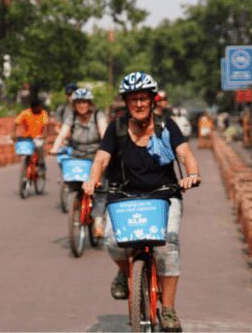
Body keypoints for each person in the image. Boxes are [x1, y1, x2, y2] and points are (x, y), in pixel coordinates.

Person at [82, 72, 200, 332]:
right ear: (126, 102)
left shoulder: (166, 126)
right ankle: (126, 273)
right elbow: (101, 158)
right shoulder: (116, 128)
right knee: (113, 243)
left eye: (143, 98)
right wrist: (92, 180)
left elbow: (184, 153)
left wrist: (192, 174)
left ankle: (168, 309)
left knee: (167, 246)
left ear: (152, 100)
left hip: (164, 196)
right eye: (133, 99)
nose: (138, 104)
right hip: (124, 196)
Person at [51, 87, 108, 235]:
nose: (82, 105)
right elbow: (63, 133)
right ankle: (75, 205)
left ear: (90, 103)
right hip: (77, 156)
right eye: (78, 102)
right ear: (74, 104)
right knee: (73, 183)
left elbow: (104, 134)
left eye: (85, 102)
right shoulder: (72, 116)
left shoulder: (98, 115)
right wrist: (55, 147)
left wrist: (106, 151)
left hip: (96, 156)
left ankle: (98, 221)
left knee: (100, 187)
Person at [15, 98, 50, 171]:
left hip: (38, 138)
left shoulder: (43, 113)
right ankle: (25, 169)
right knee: (22, 150)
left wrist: (43, 135)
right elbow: (15, 123)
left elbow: (45, 125)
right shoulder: (25, 113)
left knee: (39, 146)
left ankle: (41, 162)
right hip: (27, 138)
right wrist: (13, 134)